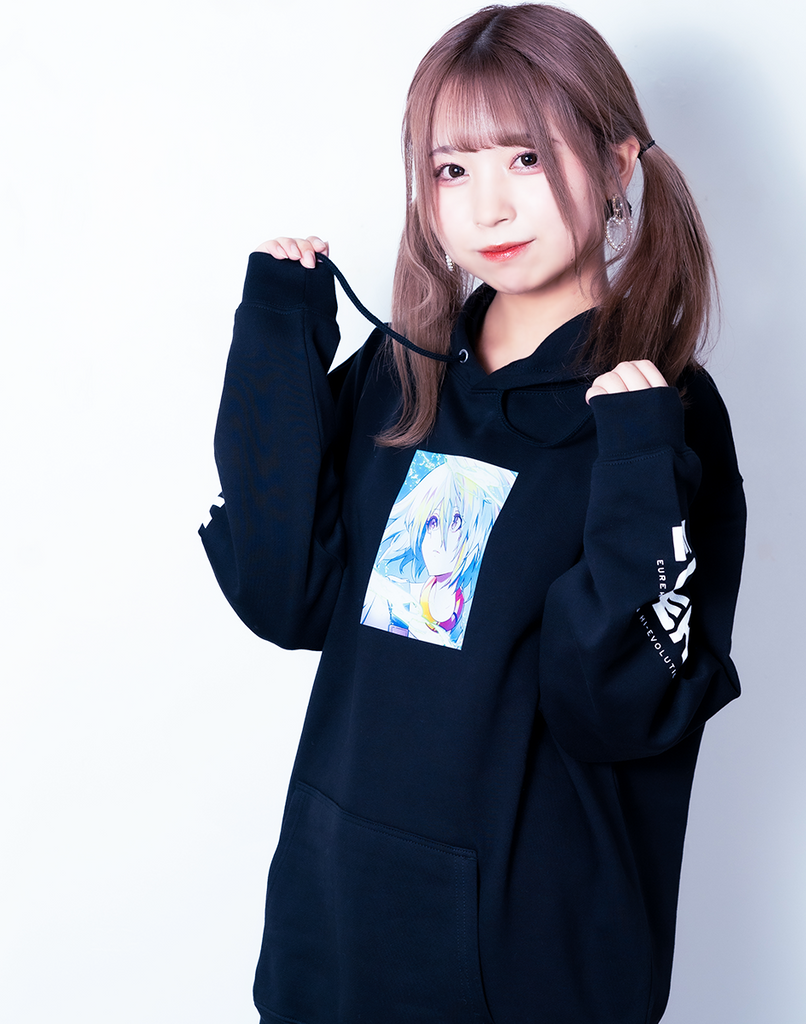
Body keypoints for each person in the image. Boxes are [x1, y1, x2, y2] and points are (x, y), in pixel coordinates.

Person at [200, 5, 746, 1023]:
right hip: (335, 923)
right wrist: (277, 331)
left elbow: (616, 706)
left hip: (527, 960)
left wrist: (638, 459)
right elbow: (286, 596)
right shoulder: (402, 373)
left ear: (616, 162)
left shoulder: (660, 416)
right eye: (452, 169)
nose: (488, 204)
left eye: (527, 158)